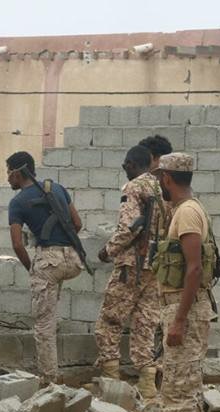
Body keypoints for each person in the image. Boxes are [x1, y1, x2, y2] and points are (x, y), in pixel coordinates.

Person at [134, 152, 219, 412]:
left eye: (160, 179)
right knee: (176, 382)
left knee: (179, 385)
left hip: (185, 308)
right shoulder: (188, 210)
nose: (159, 185)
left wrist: (179, 320)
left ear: (168, 178)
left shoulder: (186, 214)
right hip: (181, 306)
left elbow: (194, 268)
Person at [94, 145, 167, 398]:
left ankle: (111, 386)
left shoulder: (134, 187)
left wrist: (108, 250)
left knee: (109, 322)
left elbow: (129, 228)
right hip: (156, 267)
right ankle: (147, 387)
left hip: (131, 265)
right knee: (145, 325)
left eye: (125, 166)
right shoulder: (163, 187)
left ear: (130, 165)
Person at [6, 151, 84, 383]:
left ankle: (49, 380)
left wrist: (33, 268)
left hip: (48, 262)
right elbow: (77, 224)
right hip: (73, 259)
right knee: (50, 311)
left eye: (9, 172)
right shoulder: (56, 187)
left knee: (44, 325)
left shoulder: (17, 202)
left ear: (19, 173)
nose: (7, 178)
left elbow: (17, 245)